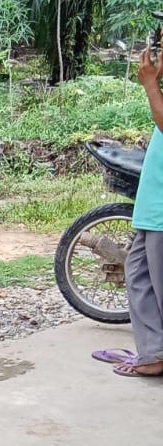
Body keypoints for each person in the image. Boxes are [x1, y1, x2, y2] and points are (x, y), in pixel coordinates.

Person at [94, 46, 163, 377]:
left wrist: (150, 85)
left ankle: (155, 357)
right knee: (138, 277)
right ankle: (154, 354)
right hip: (153, 208)